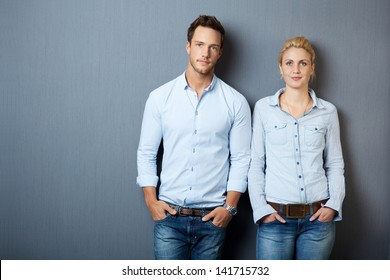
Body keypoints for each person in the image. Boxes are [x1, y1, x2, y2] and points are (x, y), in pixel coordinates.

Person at [136, 15, 251, 260]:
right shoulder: (160, 98)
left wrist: (229, 208)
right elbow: (146, 153)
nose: (205, 53)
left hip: (213, 220)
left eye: (213, 47)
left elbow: (242, 159)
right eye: (199, 45)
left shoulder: (236, 102)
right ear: (188, 46)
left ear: (220, 52)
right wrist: (150, 200)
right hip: (169, 219)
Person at [248, 36, 345, 260]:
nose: (296, 69)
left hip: (318, 223)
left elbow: (335, 164)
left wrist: (333, 205)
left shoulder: (328, 112)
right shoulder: (263, 108)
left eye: (303, 63)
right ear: (280, 68)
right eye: (289, 63)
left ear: (312, 68)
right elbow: (255, 164)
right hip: (275, 220)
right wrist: (261, 209)